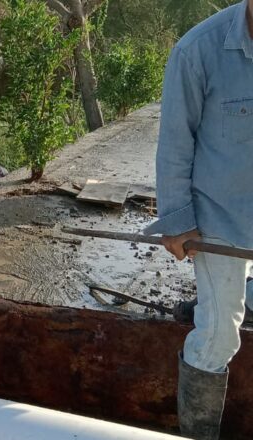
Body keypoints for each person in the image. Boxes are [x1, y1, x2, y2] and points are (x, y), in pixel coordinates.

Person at [144, 2, 253, 438]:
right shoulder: (198, 51)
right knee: (219, 338)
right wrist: (178, 221)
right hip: (220, 221)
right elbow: (174, 140)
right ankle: (197, 432)